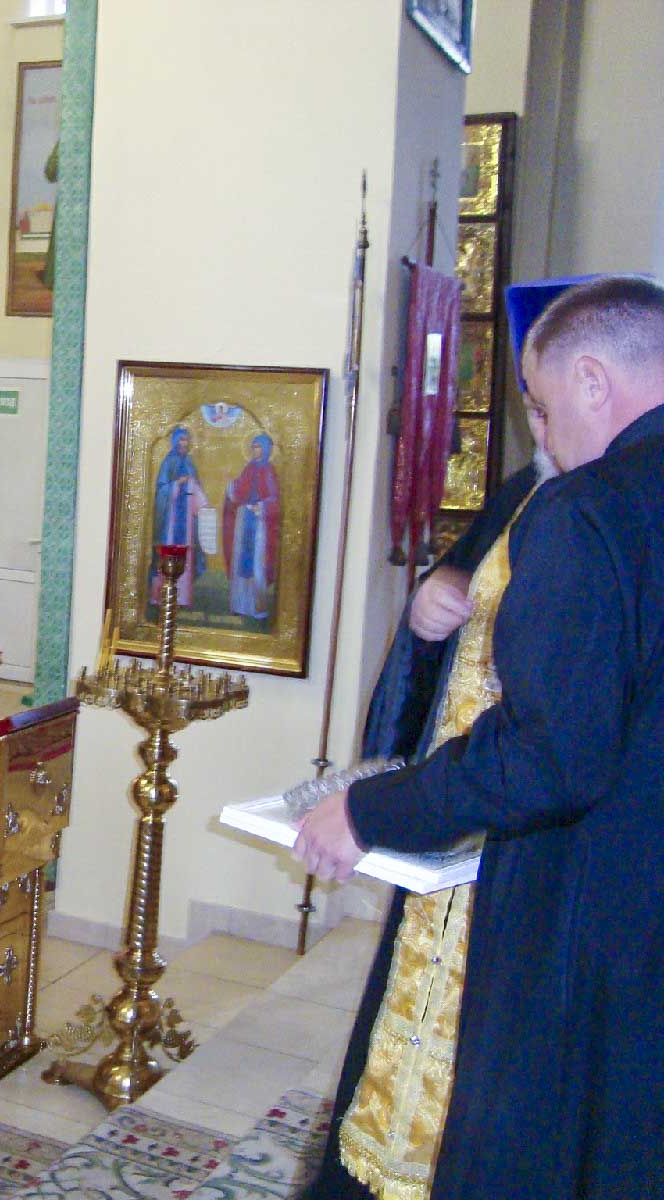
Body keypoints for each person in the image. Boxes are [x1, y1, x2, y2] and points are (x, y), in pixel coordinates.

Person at [295, 275, 664, 1199]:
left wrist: (371, 810)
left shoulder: (591, 508)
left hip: (595, 911)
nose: (543, 434)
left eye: (540, 404)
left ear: (591, 379)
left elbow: (551, 756)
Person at [222, 432, 281, 620]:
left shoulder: (269, 471)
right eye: (254, 447)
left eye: (259, 447)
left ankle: (257, 608)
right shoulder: (249, 468)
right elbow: (238, 490)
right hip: (244, 518)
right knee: (241, 561)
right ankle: (239, 605)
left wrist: (261, 506)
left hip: (259, 523)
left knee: (257, 564)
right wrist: (230, 485)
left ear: (266, 450)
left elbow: (274, 499)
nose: (255, 451)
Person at [150, 425, 208, 606]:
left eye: (186, 440)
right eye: (181, 440)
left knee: (186, 553)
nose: (184, 443)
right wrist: (177, 484)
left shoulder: (189, 463)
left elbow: (197, 490)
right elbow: (161, 490)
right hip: (171, 518)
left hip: (187, 519)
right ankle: (161, 595)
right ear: (175, 441)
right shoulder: (168, 462)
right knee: (168, 552)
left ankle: (182, 597)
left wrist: (193, 487)